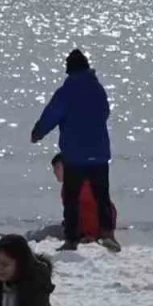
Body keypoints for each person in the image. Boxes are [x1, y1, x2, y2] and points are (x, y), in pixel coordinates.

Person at [31, 49, 119, 253]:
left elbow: (51, 115)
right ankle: (108, 235)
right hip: (99, 154)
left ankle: (71, 240)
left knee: (71, 198)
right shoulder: (98, 89)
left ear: (69, 69)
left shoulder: (67, 91)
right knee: (102, 196)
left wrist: (38, 133)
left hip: (75, 157)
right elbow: (105, 112)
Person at [26, 152, 119, 246]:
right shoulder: (69, 186)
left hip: (85, 234)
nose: (54, 172)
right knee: (49, 227)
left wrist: (89, 235)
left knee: (43, 233)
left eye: (57, 168)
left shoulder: (83, 187)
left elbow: (105, 210)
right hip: (80, 230)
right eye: (54, 169)